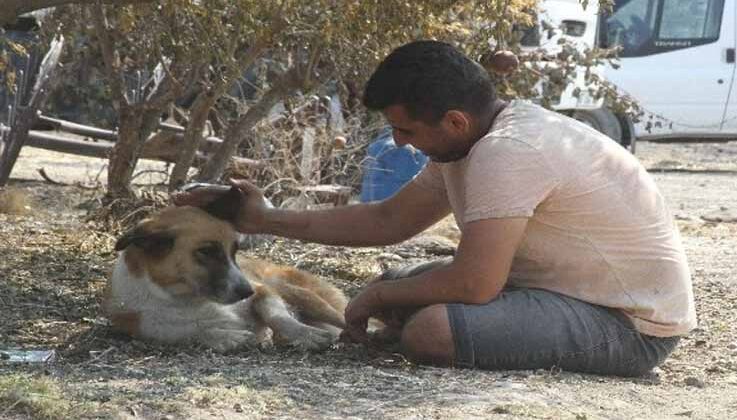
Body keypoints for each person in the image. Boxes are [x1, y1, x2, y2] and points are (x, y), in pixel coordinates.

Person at [173, 40, 696, 377]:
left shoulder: (508, 152)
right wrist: (262, 218)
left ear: (453, 121)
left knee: (429, 329)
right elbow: (387, 220)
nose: (398, 144)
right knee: (405, 285)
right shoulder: (472, 140)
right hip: (560, 293)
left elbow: (475, 286)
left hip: (628, 326)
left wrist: (378, 295)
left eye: (406, 130)